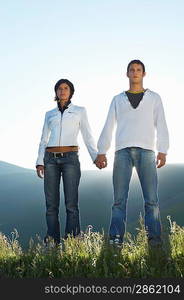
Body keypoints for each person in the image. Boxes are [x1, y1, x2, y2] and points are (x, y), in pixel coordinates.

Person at [95, 60, 169, 247]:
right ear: (127, 74)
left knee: (151, 200)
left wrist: (163, 150)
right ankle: (115, 240)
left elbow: (161, 123)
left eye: (138, 70)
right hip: (122, 152)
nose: (135, 73)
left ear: (144, 74)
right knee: (119, 200)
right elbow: (109, 124)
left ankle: (155, 241)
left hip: (147, 152)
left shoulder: (154, 98)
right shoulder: (118, 99)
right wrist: (102, 151)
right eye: (131, 70)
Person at [36, 79, 97, 245]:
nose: (62, 91)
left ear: (71, 92)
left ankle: (72, 243)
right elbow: (43, 139)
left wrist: (95, 156)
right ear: (56, 92)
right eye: (59, 88)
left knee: (71, 204)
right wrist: (39, 161)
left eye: (66, 88)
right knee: (51, 206)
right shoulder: (49, 114)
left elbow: (87, 135)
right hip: (50, 160)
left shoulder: (79, 111)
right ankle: (52, 243)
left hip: (70, 158)